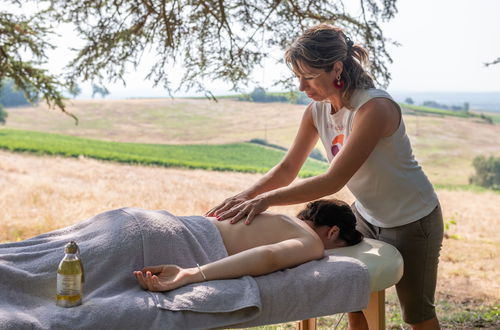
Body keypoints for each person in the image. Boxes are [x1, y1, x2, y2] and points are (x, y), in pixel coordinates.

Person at [206, 24, 444, 330]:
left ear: (336, 68)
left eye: (309, 77)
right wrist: (246, 196)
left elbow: (334, 180)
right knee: (353, 293)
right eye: (298, 78)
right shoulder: (316, 112)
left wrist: (266, 201)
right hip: (366, 216)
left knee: (417, 314)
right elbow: (287, 169)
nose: (303, 87)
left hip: (414, 220)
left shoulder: (375, 108)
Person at [134, 199, 363, 292]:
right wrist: (191, 274)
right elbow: (269, 257)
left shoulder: (279, 219)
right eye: (338, 246)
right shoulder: (313, 243)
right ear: (333, 232)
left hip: (164, 221)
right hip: (185, 240)